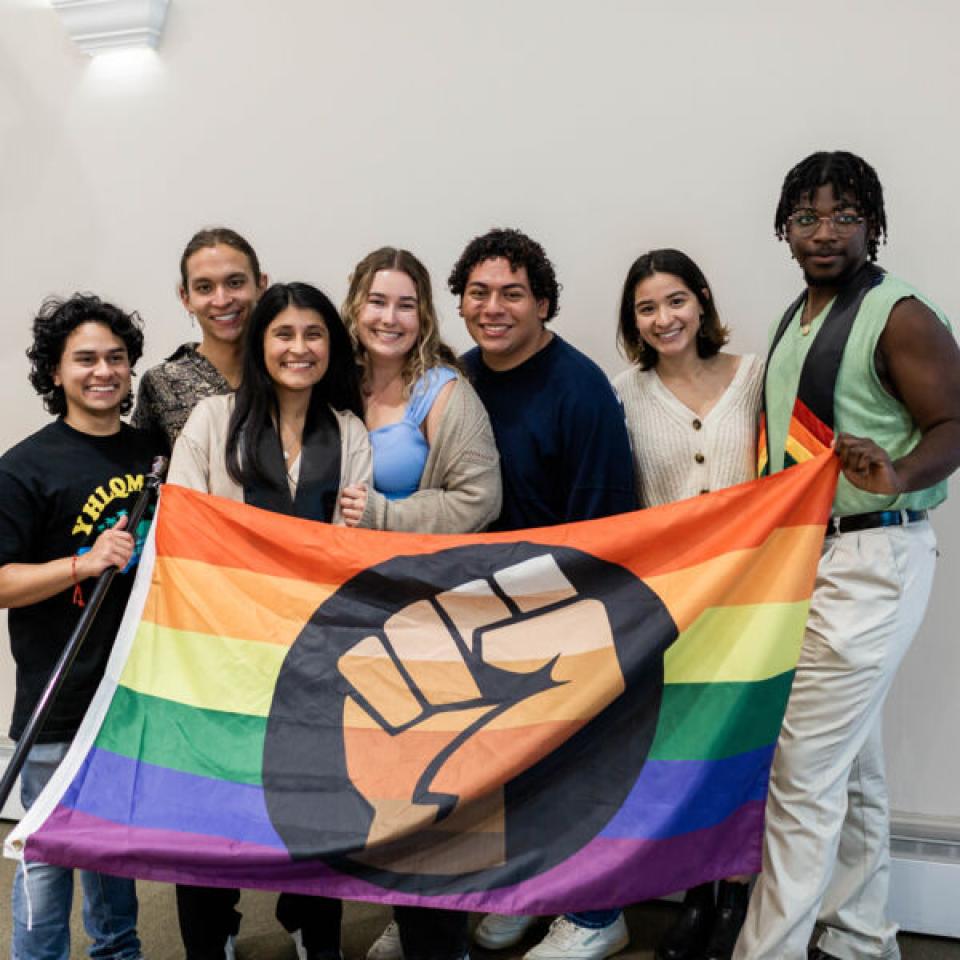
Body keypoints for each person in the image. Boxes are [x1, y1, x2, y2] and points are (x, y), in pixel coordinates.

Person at [732, 151, 960, 960]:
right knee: (851, 764)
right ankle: (862, 936)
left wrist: (898, 475)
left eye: (843, 215)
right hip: (812, 562)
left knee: (801, 772)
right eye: (806, 217)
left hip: (875, 559)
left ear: (874, 223)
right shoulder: (792, 315)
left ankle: (769, 951)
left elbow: (953, 425)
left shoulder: (899, 314)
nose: (823, 231)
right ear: (784, 228)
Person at [168, 281, 372, 960]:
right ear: (259, 344)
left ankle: (316, 933)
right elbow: (184, 532)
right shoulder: (210, 420)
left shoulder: (347, 431)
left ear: (330, 346)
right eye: (283, 334)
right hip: (222, 654)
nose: (299, 348)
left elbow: (359, 555)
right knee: (210, 813)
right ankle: (212, 936)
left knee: (319, 808)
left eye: (314, 334)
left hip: (318, 660)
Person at [449, 228, 637, 960]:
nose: (494, 307)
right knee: (502, 768)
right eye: (479, 292)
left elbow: (604, 516)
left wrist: (559, 606)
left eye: (512, 293)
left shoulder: (578, 386)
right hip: (476, 603)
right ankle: (527, 896)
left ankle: (597, 914)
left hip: (564, 597)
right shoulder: (456, 380)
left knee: (577, 761)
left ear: (544, 303)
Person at [339, 246, 501, 960]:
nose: (390, 317)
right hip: (343, 612)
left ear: (425, 314)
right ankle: (404, 921)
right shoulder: (331, 381)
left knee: (429, 783)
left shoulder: (444, 390)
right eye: (378, 301)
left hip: (423, 616)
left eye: (406, 304)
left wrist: (380, 513)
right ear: (354, 305)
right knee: (365, 781)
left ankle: (441, 941)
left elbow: (480, 499)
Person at [612, 249, 763, 960]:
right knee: (690, 751)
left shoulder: (757, 376)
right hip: (674, 605)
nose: (664, 318)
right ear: (633, 323)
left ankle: (735, 898)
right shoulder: (625, 394)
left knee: (748, 748)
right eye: (647, 308)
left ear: (701, 301)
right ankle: (696, 894)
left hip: (758, 599)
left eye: (675, 300)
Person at [0, 294, 154, 960]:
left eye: (116, 358)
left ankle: (118, 953)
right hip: (55, 700)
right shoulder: (24, 467)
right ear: (55, 372)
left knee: (113, 849)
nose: (104, 371)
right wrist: (83, 564)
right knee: (47, 857)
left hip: (130, 695)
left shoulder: (155, 453)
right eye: (85, 358)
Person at [133, 226, 268, 452]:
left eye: (235, 283)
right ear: (186, 298)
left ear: (260, 285)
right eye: (205, 287)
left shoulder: (288, 371)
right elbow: (146, 475)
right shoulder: (161, 383)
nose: (222, 300)